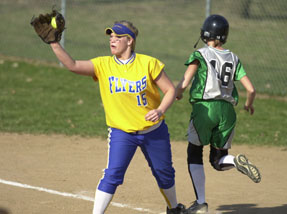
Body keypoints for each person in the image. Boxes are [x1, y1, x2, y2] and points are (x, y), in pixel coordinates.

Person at [47, 20, 187, 214]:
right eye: (111, 37)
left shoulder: (148, 63)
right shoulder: (103, 64)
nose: (112, 40)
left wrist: (161, 110)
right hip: (122, 133)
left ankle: (174, 209)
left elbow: (170, 90)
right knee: (113, 175)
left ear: (129, 41)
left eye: (117, 37)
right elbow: (72, 65)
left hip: (154, 131)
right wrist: (54, 43)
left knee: (164, 173)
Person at [175, 14, 261, 213]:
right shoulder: (234, 58)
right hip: (228, 112)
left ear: (205, 33)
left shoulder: (201, 54)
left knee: (194, 152)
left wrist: (177, 93)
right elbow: (251, 90)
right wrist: (248, 105)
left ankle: (201, 203)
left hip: (206, 108)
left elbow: (185, 82)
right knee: (218, 159)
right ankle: (235, 161)